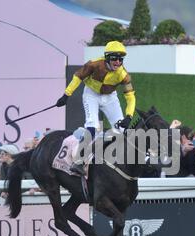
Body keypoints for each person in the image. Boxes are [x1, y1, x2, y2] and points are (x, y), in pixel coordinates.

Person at [55, 41, 136, 175]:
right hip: (91, 94)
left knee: (123, 130)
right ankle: (79, 161)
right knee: (92, 126)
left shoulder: (123, 75)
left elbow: (130, 96)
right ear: (107, 57)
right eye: (114, 58)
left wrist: (129, 116)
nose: (117, 62)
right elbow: (77, 77)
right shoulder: (93, 64)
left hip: (110, 98)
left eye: (120, 59)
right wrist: (66, 95)